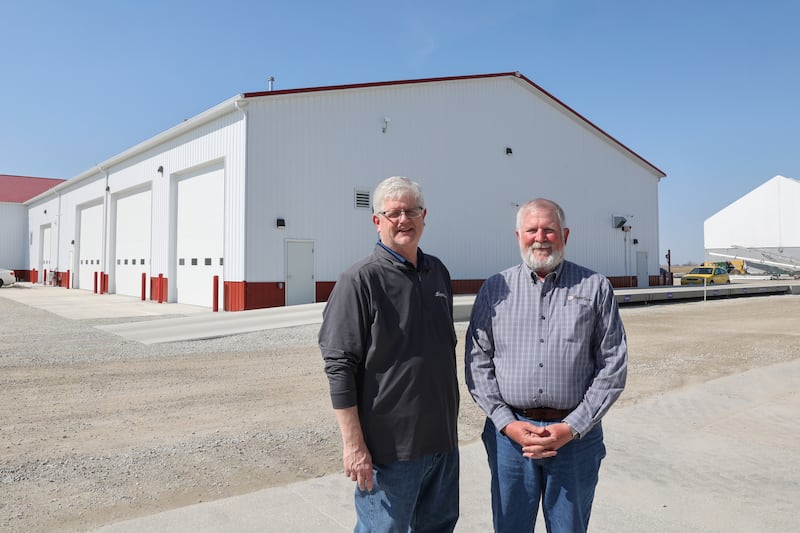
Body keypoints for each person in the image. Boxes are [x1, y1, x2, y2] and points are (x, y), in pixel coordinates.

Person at [465, 198, 628, 532]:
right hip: (510, 441)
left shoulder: (595, 288)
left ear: (564, 234)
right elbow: (477, 362)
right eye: (532, 230)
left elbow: (612, 365)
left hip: (575, 440)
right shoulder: (495, 289)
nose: (540, 237)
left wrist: (571, 427)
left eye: (549, 229)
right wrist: (507, 423)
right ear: (518, 236)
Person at [319, 176, 460, 532]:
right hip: (389, 453)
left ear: (424, 216)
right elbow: (340, 367)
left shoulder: (437, 272)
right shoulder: (360, 281)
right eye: (393, 212)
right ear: (376, 220)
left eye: (411, 210)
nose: (403, 219)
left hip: (442, 445)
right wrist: (354, 446)